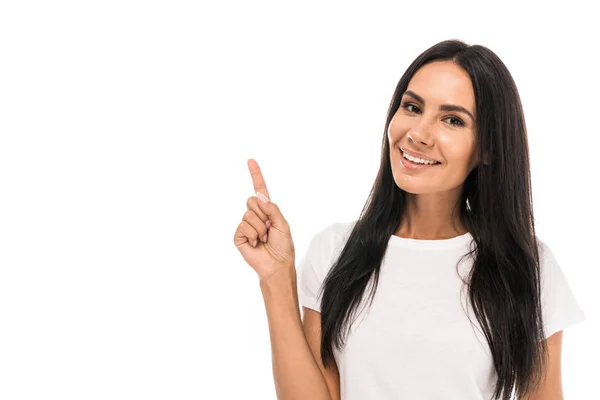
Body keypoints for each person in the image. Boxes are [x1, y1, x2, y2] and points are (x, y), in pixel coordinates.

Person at [233, 39, 586, 400]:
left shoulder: (528, 266)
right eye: (412, 107)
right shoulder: (335, 251)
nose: (418, 134)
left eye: (452, 119)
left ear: (488, 148)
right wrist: (276, 278)